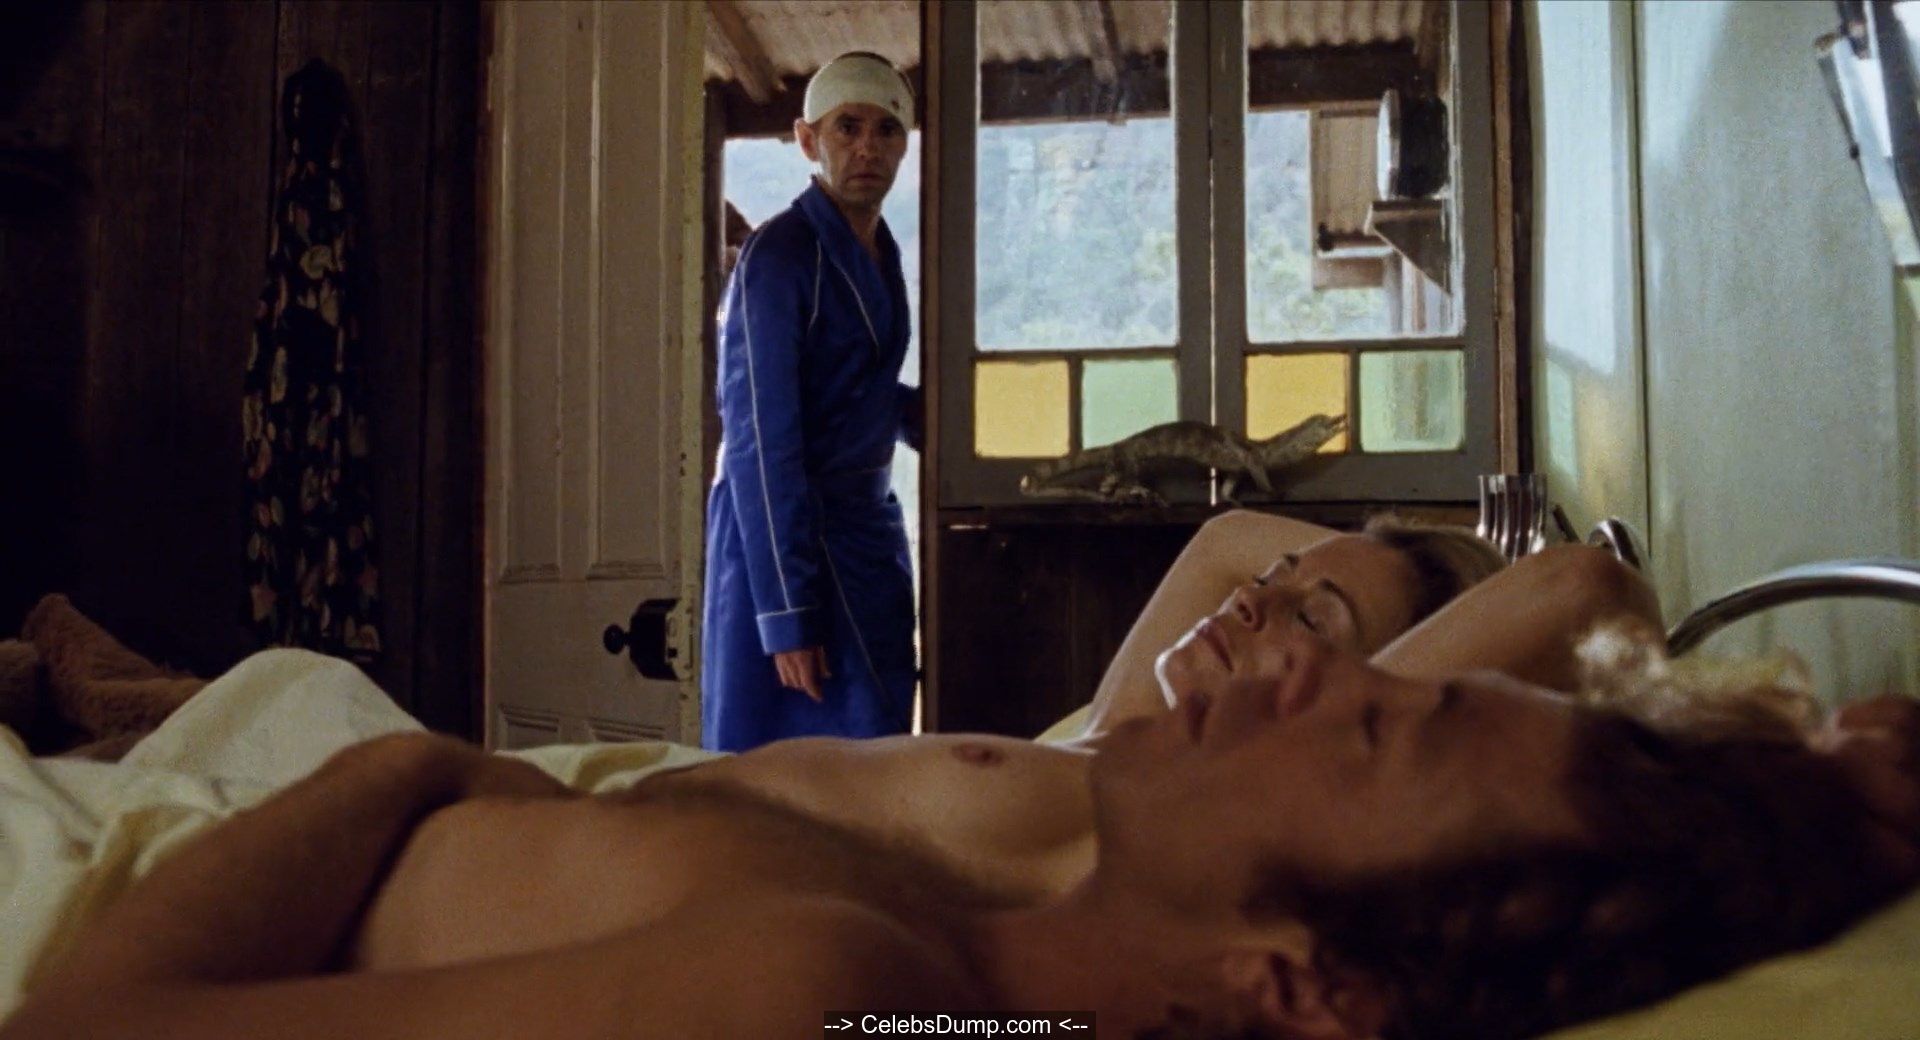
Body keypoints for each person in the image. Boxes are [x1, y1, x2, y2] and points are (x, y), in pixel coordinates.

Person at [9, 575, 1916, 1040]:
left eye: (1367, 737)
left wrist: (410, 768)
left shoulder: (827, 986)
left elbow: (83, 1032)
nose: (1307, 667)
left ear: (1300, 982)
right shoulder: (950, 949)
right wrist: (1826, 791)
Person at [702, 51, 923, 751]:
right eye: (847, 127)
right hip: (783, 538)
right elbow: (759, 440)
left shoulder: (880, 251)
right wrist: (786, 614)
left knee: (876, 752)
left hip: (865, 535)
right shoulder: (780, 256)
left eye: (887, 130)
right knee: (783, 770)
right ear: (808, 140)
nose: (868, 148)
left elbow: (860, 391)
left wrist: (955, 430)